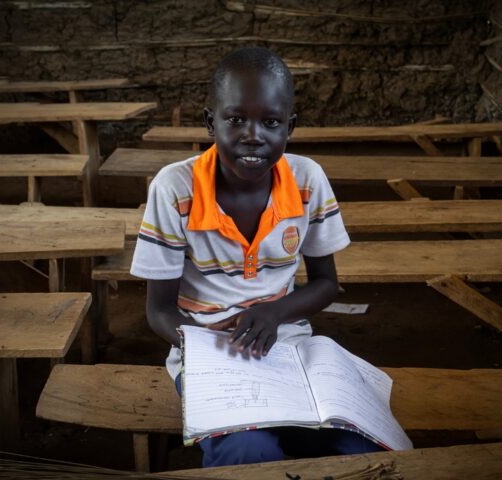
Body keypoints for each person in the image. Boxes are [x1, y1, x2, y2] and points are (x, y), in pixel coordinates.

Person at [130, 47, 382, 467]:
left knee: (356, 444)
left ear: (290, 127)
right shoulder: (174, 188)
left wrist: (274, 312)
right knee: (249, 452)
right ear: (211, 122)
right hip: (205, 352)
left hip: (289, 347)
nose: (253, 135)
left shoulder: (307, 180)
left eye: (270, 122)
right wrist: (208, 350)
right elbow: (158, 310)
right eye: (235, 119)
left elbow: (326, 283)